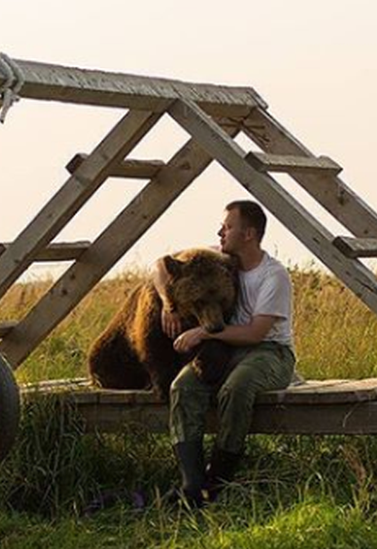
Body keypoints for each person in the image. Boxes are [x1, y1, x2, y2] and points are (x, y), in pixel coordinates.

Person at [154, 200, 296, 507]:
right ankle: (190, 484)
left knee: (236, 388)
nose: (220, 232)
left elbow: (256, 333)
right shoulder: (218, 261)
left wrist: (202, 333)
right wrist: (168, 303)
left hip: (270, 352)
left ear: (248, 234)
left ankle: (216, 483)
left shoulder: (274, 276)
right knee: (183, 386)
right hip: (228, 350)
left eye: (228, 227)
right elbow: (159, 266)